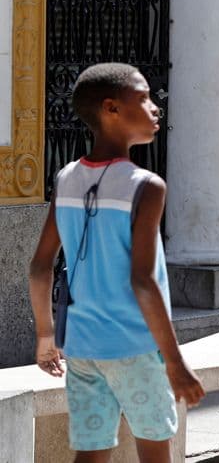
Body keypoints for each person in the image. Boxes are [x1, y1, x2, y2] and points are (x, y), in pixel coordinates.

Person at [29, 63, 205, 461]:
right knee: (155, 450)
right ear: (111, 108)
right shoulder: (146, 186)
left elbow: (41, 266)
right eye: (143, 98)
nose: (155, 107)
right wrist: (175, 362)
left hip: (82, 348)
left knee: (90, 453)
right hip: (135, 346)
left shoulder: (66, 178)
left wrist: (45, 338)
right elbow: (143, 281)